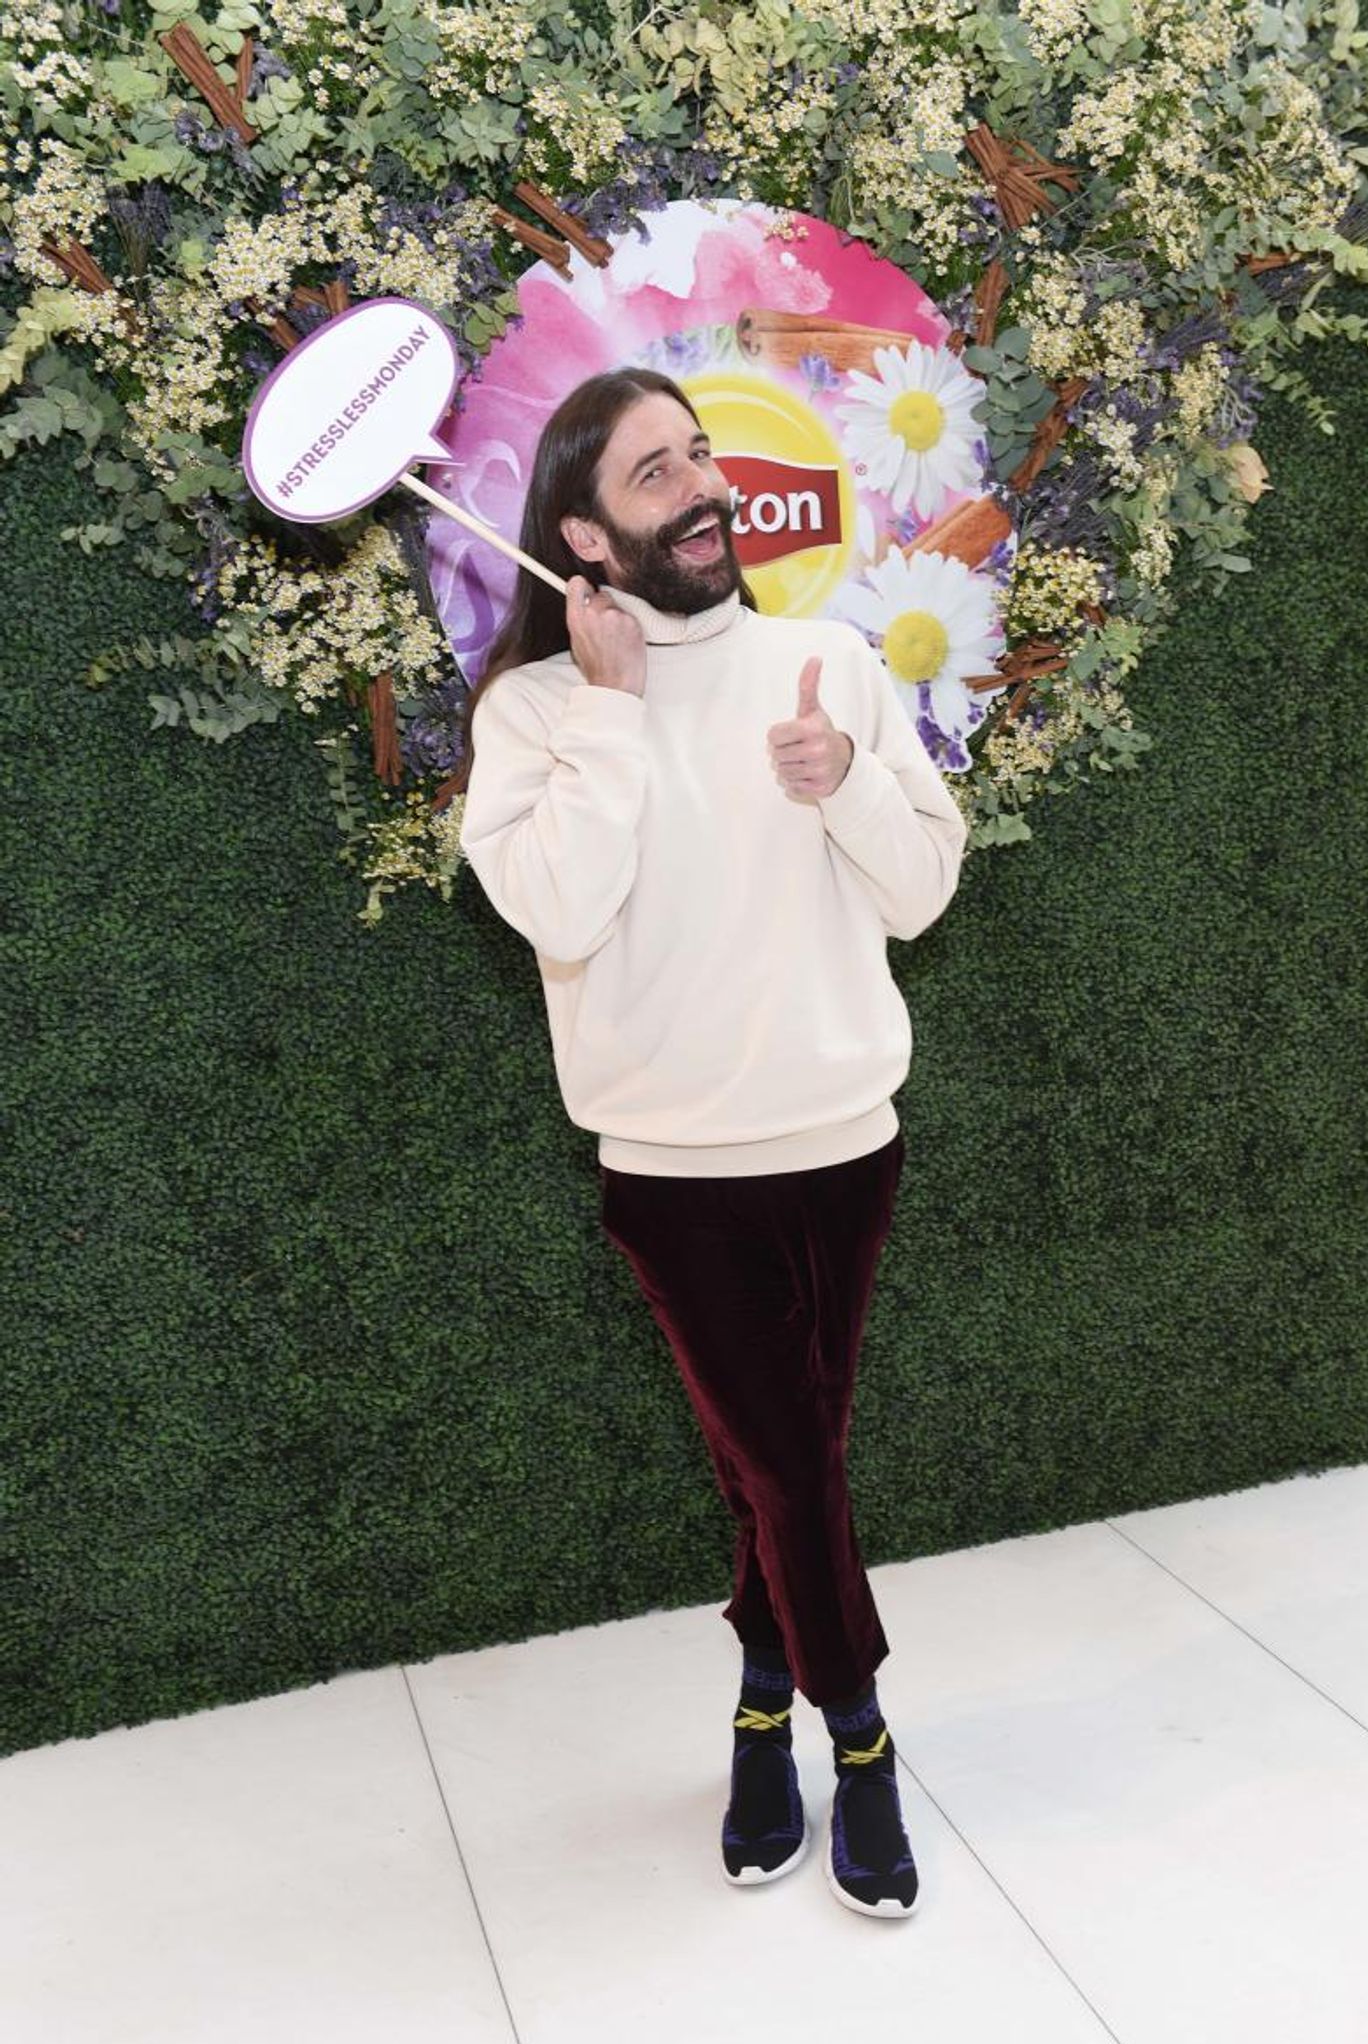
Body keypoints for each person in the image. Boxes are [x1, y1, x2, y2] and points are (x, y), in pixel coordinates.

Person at [458, 366, 968, 1920]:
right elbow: (554, 909)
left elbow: (923, 891)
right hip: (676, 1178)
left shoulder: (826, 664)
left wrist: (851, 784)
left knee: (776, 1463)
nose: (704, 487)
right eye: (656, 472)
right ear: (585, 537)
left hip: (845, 1144)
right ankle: (858, 1738)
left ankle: (760, 1700)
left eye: (701, 454)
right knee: (795, 1464)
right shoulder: (537, 712)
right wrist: (614, 718)